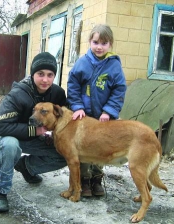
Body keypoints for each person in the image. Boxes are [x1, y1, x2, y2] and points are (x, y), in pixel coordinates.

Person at [0, 52, 67, 213]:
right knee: (10, 146)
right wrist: (35, 130)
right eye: (40, 74)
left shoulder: (58, 94)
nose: (45, 79)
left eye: (50, 75)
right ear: (32, 74)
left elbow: (63, 118)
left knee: (64, 154)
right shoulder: (18, 94)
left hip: (34, 137)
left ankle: (26, 166)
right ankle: (0, 191)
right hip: (9, 136)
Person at [67, 24, 127, 197]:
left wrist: (109, 111)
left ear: (110, 44)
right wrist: (77, 107)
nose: (99, 47)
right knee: (84, 148)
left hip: (104, 118)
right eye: (95, 42)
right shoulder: (82, 62)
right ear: (89, 42)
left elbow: (119, 89)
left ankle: (97, 179)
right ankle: (84, 181)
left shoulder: (114, 65)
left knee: (101, 147)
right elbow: (72, 86)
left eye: (104, 43)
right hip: (85, 116)